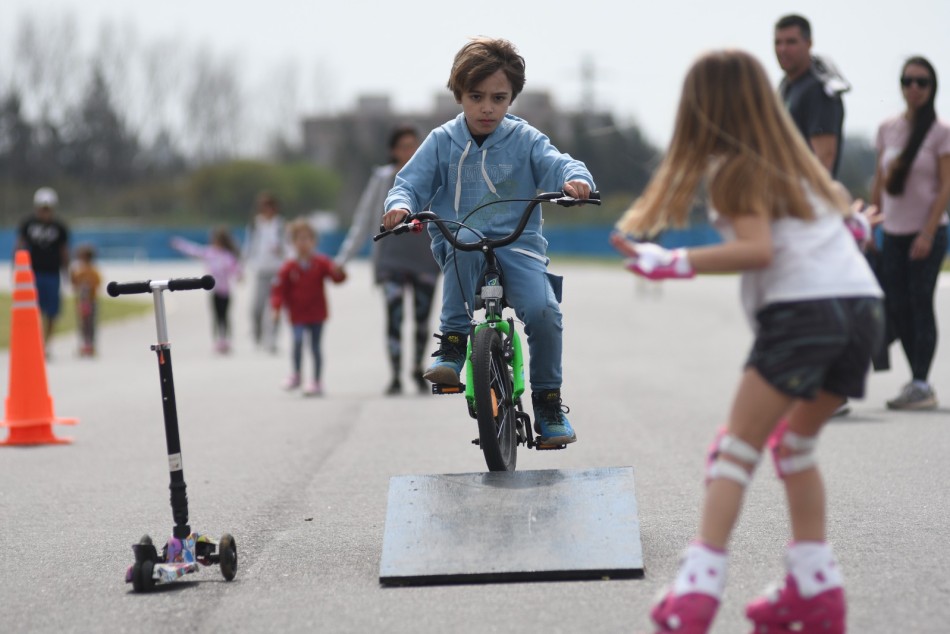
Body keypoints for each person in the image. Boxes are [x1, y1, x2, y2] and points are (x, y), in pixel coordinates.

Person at [610, 50, 883, 634]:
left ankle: (695, 596)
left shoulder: (736, 167)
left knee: (732, 452)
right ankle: (814, 588)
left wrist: (672, 260)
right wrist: (858, 225)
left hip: (803, 315)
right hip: (861, 312)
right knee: (795, 448)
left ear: (701, 109)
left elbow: (758, 249)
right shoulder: (801, 168)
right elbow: (843, 228)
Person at [382, 37, 594, 446]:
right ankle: (454, 346)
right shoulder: (442, 140)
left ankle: (548, 403)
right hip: (461, 243)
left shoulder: (526, 139)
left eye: (499, 98)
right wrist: (400, 207)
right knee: (462, 237)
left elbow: (559, 163)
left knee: (545, 312)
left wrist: (577, 181)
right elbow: (408, 182)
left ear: (512, 97)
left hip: (519, 245)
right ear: (459, 94)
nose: (487, 108)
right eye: (476, 96)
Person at [336, 125, 441, 395]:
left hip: (425, 262)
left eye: (414, 146)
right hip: (391, 262)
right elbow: (363, 220)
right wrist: (343, 259)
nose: (410, 151)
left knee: (421, 319)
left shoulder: (433, 176)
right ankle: (395, 374)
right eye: (404, 146)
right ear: (393, 151)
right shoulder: (382, 180)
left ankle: (417, 368)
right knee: (394, 317)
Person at [870, 56, 950, 410]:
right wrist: (871, 224)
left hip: (926, 233)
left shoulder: (941, 131)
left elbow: (946, 186)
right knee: (897, 305)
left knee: (920, 302)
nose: (914, 88)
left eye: (922, 82)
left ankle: (921, 383)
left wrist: (928, 233)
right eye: (907, 81)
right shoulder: (888, 128)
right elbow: (880, 183)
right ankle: (914, 380)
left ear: (932, 87)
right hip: (892, 231)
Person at [271, 218, 347, 396]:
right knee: (297, 342)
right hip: (297, 314)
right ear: (293, 242)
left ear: (314, 241)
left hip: (317, 313)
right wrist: (276, 308)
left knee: (315, 347)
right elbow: (278, 290)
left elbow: (336, 278)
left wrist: (340, 271)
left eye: (307, 239)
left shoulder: (321, 263)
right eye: (299, 239)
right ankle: (296, 374)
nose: (303, 243)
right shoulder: (288, 267)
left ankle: (317, 381)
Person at [774, 14, 847, 177]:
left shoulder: (818, 89)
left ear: (809, 43)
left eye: (791, 42)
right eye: (778, 42)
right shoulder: (785, 85)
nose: (782, 49)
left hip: (805, 197)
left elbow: (824, 158)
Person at [171, 226, 243, 354]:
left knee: (225, 316)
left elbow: (235, 268)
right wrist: (180, 244)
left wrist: (239, 275)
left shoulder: (228, 256)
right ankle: (218, 341)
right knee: (216, 316)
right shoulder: (210, 253)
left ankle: (226, 340)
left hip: (225, 291)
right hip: (214, 291)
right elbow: (194, 250)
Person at [16, 187, 70, 351]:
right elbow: (20, 245)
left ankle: (46, 343)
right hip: (33, 273)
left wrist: (66, 272)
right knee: (34, 310)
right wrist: (17, 268)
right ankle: (35, 341)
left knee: (52, 311)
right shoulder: (28, 224)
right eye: (42, 209)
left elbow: (64, 250)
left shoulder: (59, 227)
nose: (45, 212)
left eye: (47, 209)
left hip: (52, 273)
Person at [243, 191, 286, 352]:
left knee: (275, 306)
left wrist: (281, 251)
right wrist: (242, 267)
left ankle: (273, 338)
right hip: (261, 270)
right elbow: (248, 246)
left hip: (277, 270)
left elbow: (288, 247)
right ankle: (258, 334)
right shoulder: (255, 225)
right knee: (257, 307)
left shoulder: (280, 225)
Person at [69, 243, 102, 357]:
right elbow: (74, 284)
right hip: (82, 301)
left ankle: (90, 345)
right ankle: (85, 345)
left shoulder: (92, 271)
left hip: (91, 301)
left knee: (90, 324)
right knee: (83, 324)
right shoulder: (79, 271)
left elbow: (97, 284)